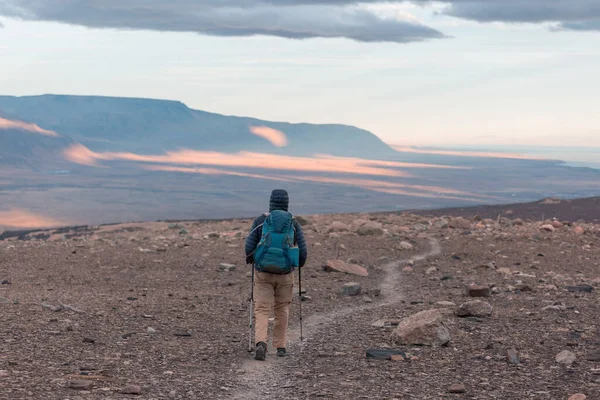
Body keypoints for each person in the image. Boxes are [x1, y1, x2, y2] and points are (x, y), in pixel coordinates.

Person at [245, 189, 307, 361]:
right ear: (287, 202)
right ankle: (280, 346)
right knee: (282, 308)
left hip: (263, 272)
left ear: (271, 202)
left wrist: (251, 259)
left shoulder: (261, 220)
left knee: (262, 308)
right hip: (285, 274)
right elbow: (302, 251)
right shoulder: (293, 223)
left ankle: (260, 343)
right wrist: (298, 264)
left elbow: (249, 245)